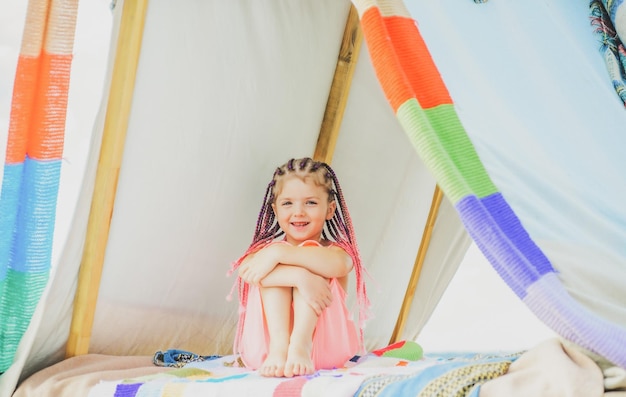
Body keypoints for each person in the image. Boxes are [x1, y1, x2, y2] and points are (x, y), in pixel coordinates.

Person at [227, 157, 369, 378]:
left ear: (330, 209)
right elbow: (246, 271)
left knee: (310, 253)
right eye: (287, 203)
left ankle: (300, 344)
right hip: (267, 352)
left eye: (310, 203)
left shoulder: (335, 252)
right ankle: (281, 345)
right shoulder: (264, 252)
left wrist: (281, 253)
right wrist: (299, 276)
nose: (299, 212)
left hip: (324, 350)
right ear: (275, 209)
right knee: (278, 269)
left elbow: (340, 265)